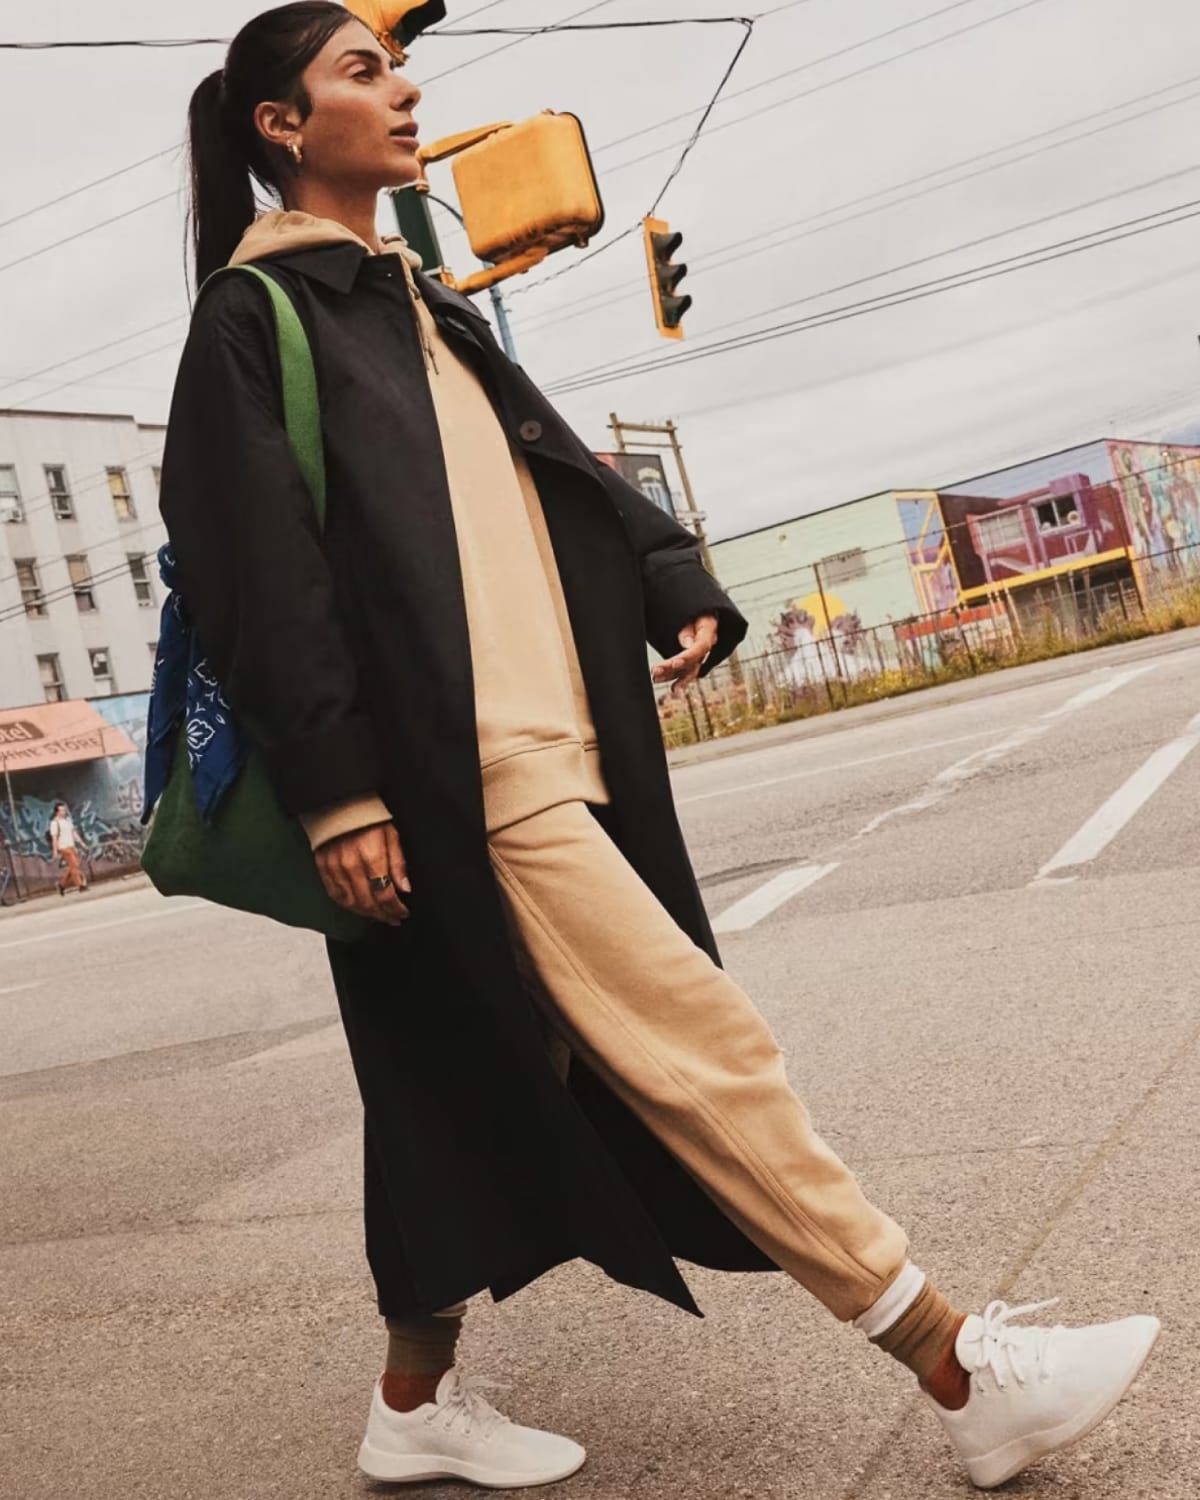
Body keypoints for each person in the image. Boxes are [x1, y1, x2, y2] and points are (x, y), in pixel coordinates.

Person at [159, 4, 1159, 1490]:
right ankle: (959, 1370)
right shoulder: (260, 320)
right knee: (706, 1052)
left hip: (546, 739)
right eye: (364, 70)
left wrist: (671, 570)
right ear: (281, 127)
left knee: (452, 1095)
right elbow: (258, 571)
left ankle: (410, 1403)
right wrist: (341, 785)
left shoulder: (416, 302)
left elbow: (553, 460)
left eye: (396, 61)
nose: (408, 83)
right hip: (459, 770)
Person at [48, 801, 88, 895]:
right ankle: (80, 886)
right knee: (74, 866)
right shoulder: (55, 823)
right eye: (61, 810)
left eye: (64, 810)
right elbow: (54, 837)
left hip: (71, 845)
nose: (64, 812)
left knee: (74, 866)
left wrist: (82, 843)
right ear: (57, 812)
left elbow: (74, 833)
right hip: (63, 847)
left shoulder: (67, 821)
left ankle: (62, 884)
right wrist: (55, 850)